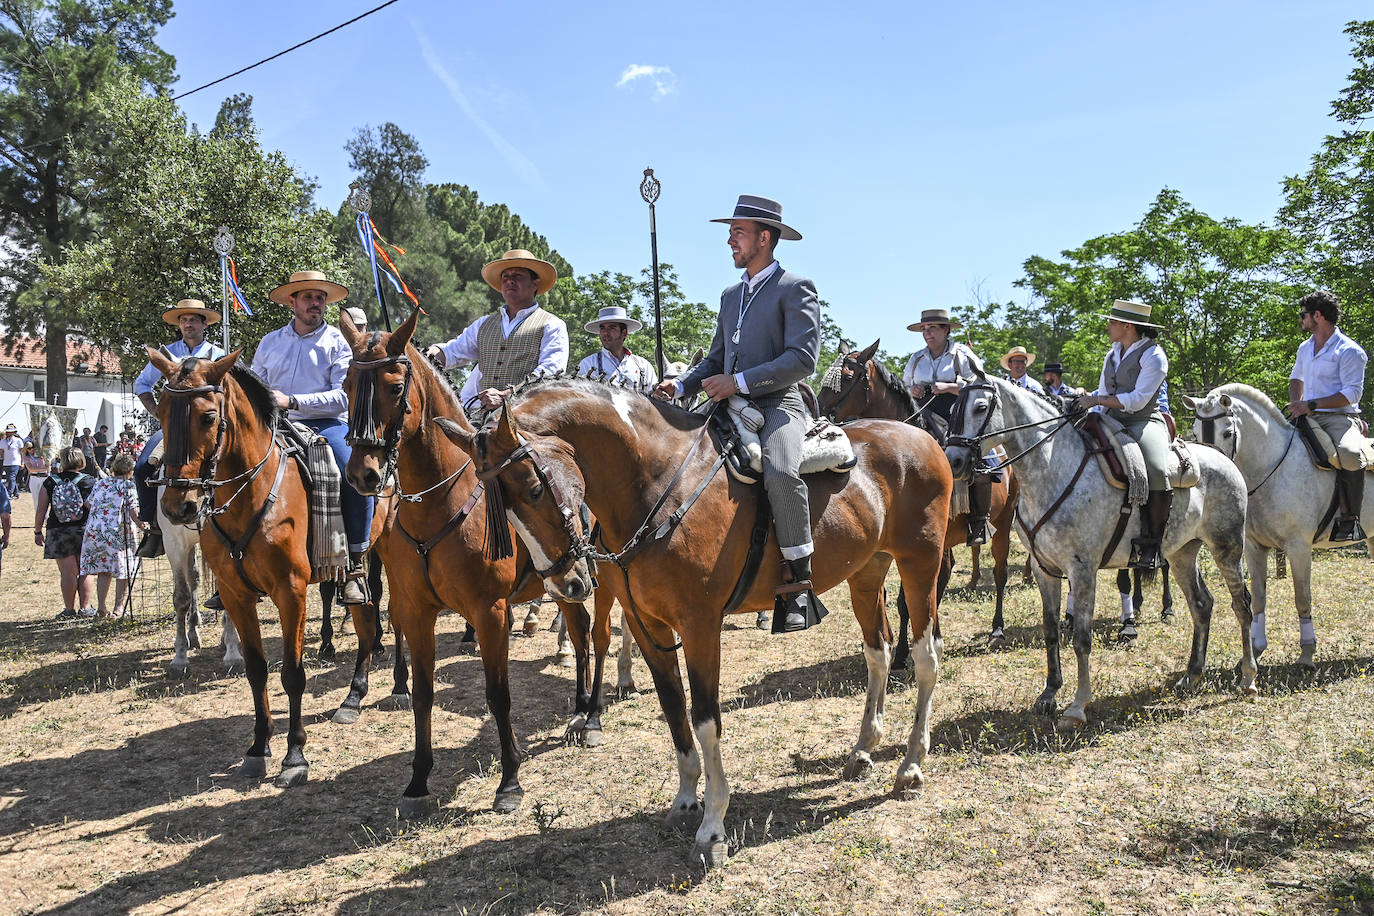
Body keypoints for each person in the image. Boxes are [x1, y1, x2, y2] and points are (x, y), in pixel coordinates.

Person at [654, 194, 824, 633]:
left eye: (738, 232)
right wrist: (683, 384)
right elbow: (715, 360)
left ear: (764, 238)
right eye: (731, 232)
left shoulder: (796, 288)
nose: (730, 240)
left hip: (780, 404)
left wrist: (740, 382)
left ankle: (798, 584)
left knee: (782, 472)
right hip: (727, 403)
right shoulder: (731, 295)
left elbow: (803, 359)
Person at [251, 270, 373, 604]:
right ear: (292, 302)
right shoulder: (270, 342)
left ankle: (355, 567)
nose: (315, 304)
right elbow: (254, 386)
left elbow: (345, 396)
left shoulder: (338, 341)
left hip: (325, 424)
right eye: (308, 297)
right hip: (273, 424)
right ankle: (235, 566)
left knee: (355, 475)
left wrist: (294, 401)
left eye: (320, 298)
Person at [1073, 299, 1172, 569]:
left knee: (1155, 468)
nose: (1108, 326)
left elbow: (1139, 400)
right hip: (1110, 416)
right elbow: (1104, 391)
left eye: (1112, 322)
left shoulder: (1154, 356)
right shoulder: (1112, 353)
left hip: (1143, 420)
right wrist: (1084, 398)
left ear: (1128, 326)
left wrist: (1097, 401)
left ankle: (1152, 544)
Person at [424, 249, 569, 420]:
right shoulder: (484, 324)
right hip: (480, 417)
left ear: (534, 284)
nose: (510, 281)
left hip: (529, 419)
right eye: (505, 277)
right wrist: (421, 355)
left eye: (518, 276)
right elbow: (451, 352)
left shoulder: (552, 325)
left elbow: (551, 373)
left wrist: (506, 395)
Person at [131, 299, 227, 558]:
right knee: (142, 468)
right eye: (183, 320)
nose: (187, 324)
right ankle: (154, 528)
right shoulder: (167, 355)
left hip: (207, 430)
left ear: (204, 323)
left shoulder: (218, 355)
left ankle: (231, 525)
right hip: (172, 430)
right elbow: (142, 385)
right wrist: (159, 414)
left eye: (193, 319)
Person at [902, 308, 993, 543]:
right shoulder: (917, 358)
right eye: (924, 328)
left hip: (957, 412)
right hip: (922, 411)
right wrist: (913, 390)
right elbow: (905, 386)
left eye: (932, 328)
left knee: (982, 464)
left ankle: (978, 522)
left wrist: (949, 387)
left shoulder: (961, 354)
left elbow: (981, 384)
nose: (927, 333)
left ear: (946, 330)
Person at [1286, 290, 1369, 541]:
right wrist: (1297, 402)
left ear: (1318, 316)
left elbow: (1352, 394)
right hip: (1305, 414)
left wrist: (1311, 404)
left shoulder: (1350, 351)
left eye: (1304, 315)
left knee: (1352, 456)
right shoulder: (1305, 347)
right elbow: (1296, 377)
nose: (1301, 320)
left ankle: (1350, 520)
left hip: (1338, 419)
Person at [36, 446, 96, 619]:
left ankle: (69, 610)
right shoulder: (89, 481)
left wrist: (37, 531)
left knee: (67, 573)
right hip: (84, 529)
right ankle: (85, 608)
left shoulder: (50, 481)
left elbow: (41, 510)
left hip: (58, 530)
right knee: (86, 570)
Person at [79, 452, 140, 618]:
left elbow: (88, 503)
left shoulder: (101, 483)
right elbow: (133, 511)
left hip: (95, 531)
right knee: (125, 570)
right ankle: (119, 609)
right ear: (130, 470)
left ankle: (102, 607)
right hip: (118, 533)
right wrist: (144, 525)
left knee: (103, 571)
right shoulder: (128, 486)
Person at [576, 306, 658, 393]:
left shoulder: (643, 366)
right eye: (602, 328)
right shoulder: (588, 364)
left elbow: (653, 397)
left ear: (624, 333)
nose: (605, 333)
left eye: (612, 328)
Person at [22, 437, 49, 509]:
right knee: (36, 499)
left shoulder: (42, 455)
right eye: (29, 448)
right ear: (26, 449)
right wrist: (44, 468)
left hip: (44, 477)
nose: (31, 450)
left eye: (32, 447)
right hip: (34, 478)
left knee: (46, 498)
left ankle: (46, 516)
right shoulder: (26, 457)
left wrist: (45, 468)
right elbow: (30, 469)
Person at [0, 424, 22, 497]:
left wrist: (23, 463)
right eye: (7, 432)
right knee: (11, 479)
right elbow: (1, 452)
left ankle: (9, 494)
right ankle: (16, 493)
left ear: (13, 432)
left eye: (10, 432)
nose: (8, 433)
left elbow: (22, 452)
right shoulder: (2, 441)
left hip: (16, 463)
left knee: (11, 478)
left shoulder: (18, 441)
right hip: (6, 463)